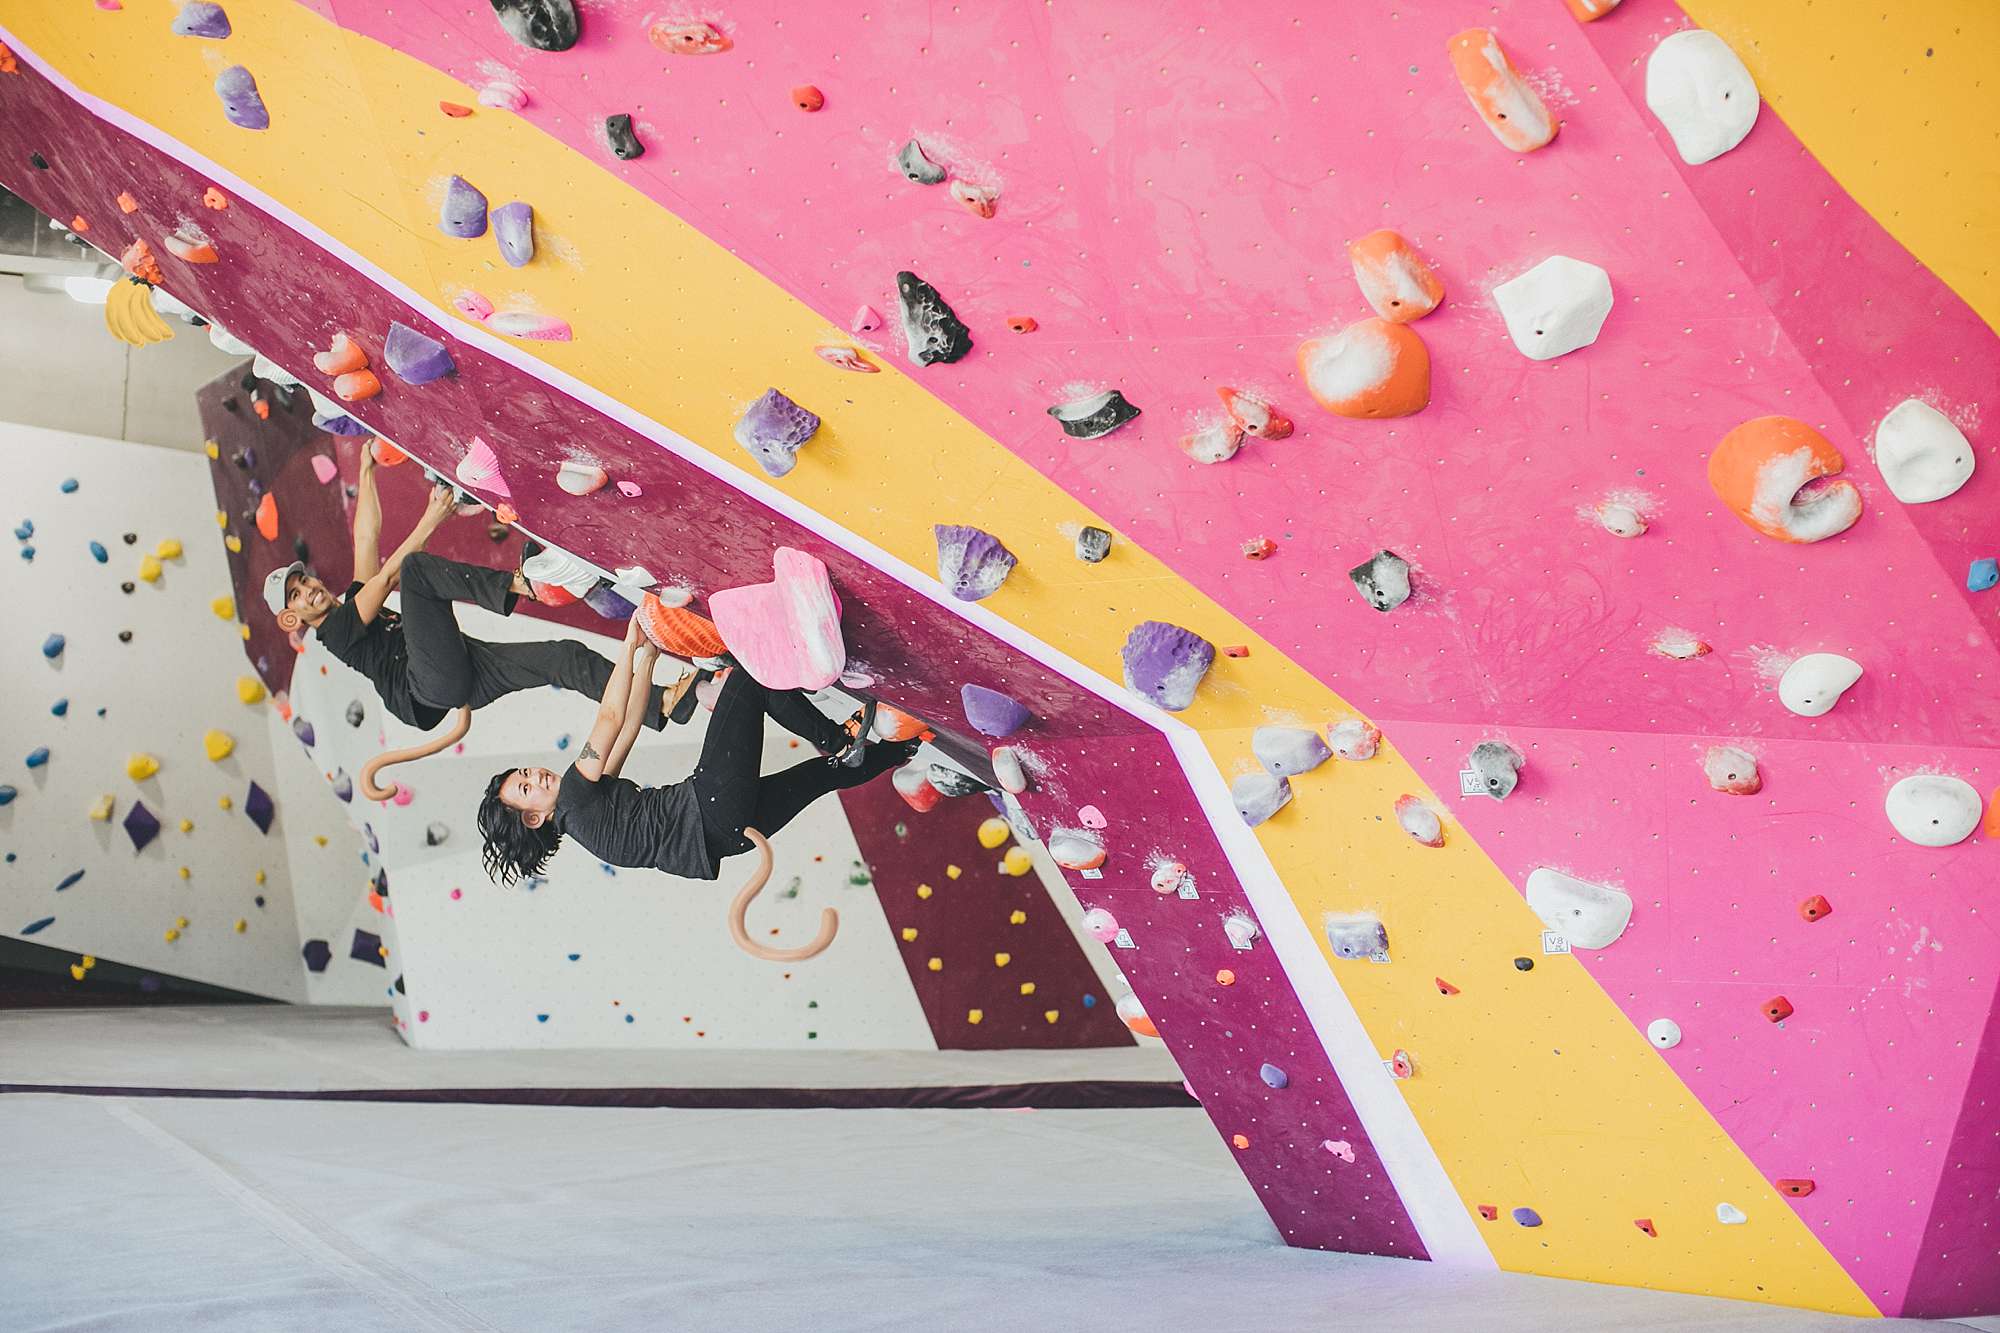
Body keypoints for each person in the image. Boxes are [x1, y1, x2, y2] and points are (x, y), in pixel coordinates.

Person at [261, 448, 697, 735]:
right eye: (296, 596)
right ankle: (525, 584)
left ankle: (660, 704)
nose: (309, 590)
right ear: (291, 618)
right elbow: (391, 576)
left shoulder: (352, 603)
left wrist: (365, 468)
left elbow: (366, 538)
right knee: (415, 570)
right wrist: (434, 517)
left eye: (304, 582)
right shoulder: (335, 633)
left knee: (564, 657)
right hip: (426, 688)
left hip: (464, 671)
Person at [478, 615, 917, 885]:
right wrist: (628, 646)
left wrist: (648, 660)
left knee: (818, 777)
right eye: (527, 788)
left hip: (726, 837)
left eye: (526, 773)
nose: (536, 776)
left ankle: (904, 747)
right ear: (534, 818)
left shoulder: (586, 816)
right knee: (747, 680)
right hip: (709, 809)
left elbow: (628, 727)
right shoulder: (574, 797)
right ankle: (839, 740)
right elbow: (609, 718)